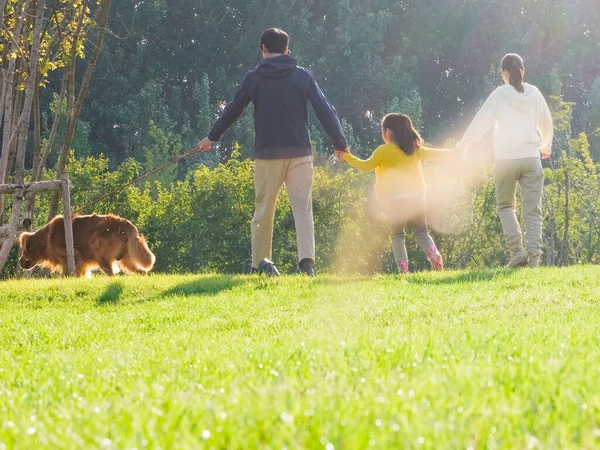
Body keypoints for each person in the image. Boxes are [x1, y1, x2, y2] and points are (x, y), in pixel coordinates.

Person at [197, 28, 349, 276]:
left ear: (263, 49)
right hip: (300, 152)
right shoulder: (302, 76)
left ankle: (261, 264)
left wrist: (212, 137)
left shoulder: (254, 77)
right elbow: (324, 108)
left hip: (268, 155)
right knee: (303, 209)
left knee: (263, 210)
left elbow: (234, 108)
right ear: (287, 50)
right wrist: (340, 143)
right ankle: (306, 263)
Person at [456, 53, 553, 268]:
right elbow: (546, 123)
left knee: (505, 206)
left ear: (504, 73)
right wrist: (545, 145)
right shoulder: (535, 93)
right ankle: (535, 258)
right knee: (532, 210)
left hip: (505, 160)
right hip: (531, 158)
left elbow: (481, 121)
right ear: (523, 70)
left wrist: (465, 143)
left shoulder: (500, 95)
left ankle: (517, 251)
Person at [335, 113, 451, 274]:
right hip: (418, 197)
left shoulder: (383, 151)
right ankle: (434, 255)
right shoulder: (414, 149)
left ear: (388, 132)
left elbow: (365, 166)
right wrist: (456, 151)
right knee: (421, 231)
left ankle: (403, 270)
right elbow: (435, 154)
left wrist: (347, 157)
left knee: (397, 235)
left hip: (397, 200)